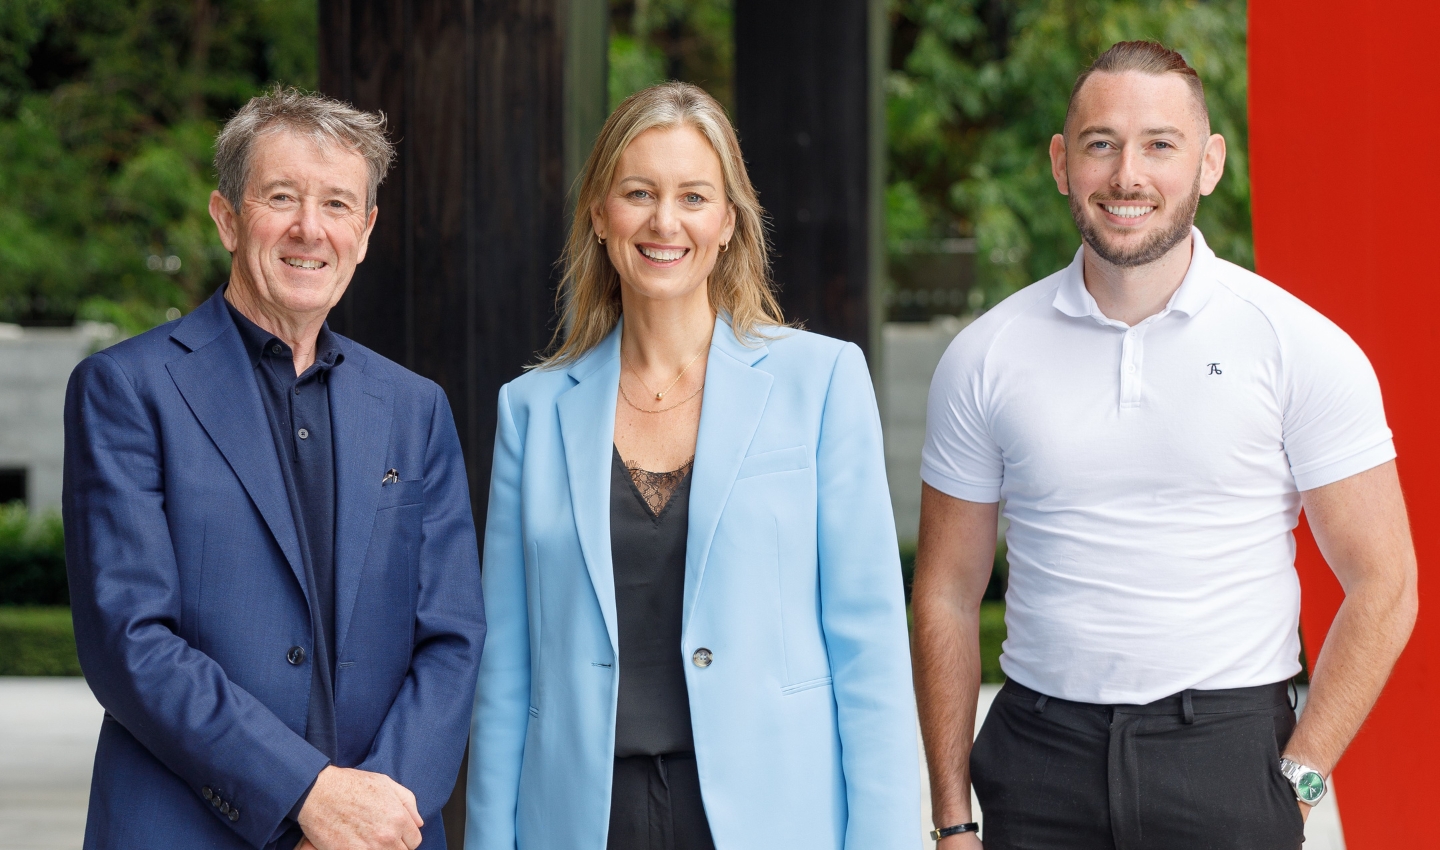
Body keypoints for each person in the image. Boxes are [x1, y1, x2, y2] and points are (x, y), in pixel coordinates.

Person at [912, 41, 1417, 849]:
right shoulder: (985, 354)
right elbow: (944, 591)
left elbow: (1387, 584)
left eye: (1160, 145)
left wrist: (1301, 781)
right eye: (1100, 144)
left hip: (1229, 756)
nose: (1126, 177)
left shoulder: (1298, 345)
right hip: (1038, 759)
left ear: (1209, 163)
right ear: (1060, 162)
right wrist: (950, 819)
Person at [466, 82, 919, 850]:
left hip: (776, 817)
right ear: (600, 218)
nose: (664, 221)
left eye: (693, 196)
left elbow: (869, 649)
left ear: (728, 224)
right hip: (581, 820)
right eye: (638, 193)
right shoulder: (531, 412)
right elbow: (506, 675)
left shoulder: (823, 382)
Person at [63, 87, 486, 850]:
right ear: (227, 217)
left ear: (365, 230)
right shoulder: (126, 390)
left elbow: (451, 639)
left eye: (336, 204)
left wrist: (374, 817)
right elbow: (129, 641)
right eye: (282, 197)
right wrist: (307, 795)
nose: (308, 229)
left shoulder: (415, 408)